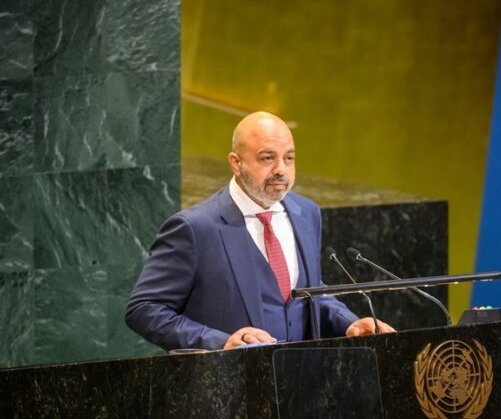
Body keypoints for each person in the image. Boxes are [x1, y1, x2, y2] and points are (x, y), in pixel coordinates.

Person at [126, 111, 394, 350]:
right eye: (267, 158)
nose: (281, 170)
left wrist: (348, 322)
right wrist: (219, 342)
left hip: (303, 378)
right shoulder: (195, 228)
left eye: (289, 158)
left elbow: (310, 292)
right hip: (229, 382)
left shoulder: (306, 213)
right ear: (235, 163)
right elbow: (144, 309)